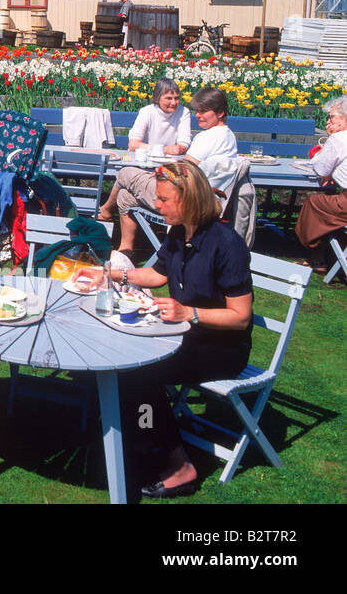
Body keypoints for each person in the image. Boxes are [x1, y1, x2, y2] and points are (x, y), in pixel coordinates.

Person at [113, 162, 253, 497]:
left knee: (137, 372)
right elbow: (158, 275)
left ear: (188, 199)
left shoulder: (226, 243)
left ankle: (177, 464)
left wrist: (189, 312)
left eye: (163, 199)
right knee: (128, 360)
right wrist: (111, 274)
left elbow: (241, 317)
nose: (156, 205)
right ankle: (145, 439)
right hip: (187, 336)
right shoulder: (179, 232)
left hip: (222, 348)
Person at [98, 78, 192, 251]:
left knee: (125, 174)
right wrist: (163, 149)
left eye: (177, 98)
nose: (174, 103)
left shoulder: (183, 113)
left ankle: (105, 209)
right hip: (146, 169)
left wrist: (154, 149)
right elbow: (133, 143)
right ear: (157, 98)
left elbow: (182, 146)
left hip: (169, 174)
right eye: (169, 98)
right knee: (124, 194)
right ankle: (126, 251)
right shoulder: (148, 112)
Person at [294, 96, 347, 274]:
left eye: (332, 117)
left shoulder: (339, 138)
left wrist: (327, 143)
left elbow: (321, 169)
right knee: (329, 204)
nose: (328, 121)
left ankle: (317, 258)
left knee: (314, 203)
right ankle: (334, 256)